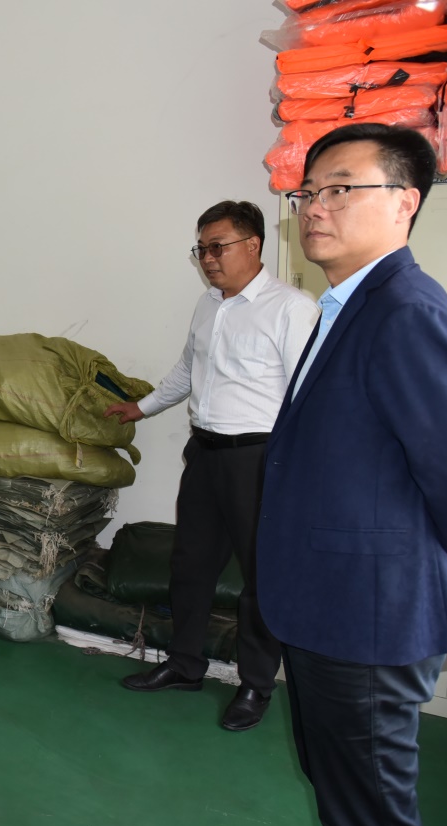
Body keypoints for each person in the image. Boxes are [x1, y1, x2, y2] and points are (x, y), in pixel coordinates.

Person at [259, 124, 447, 826]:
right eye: (308, 191)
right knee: (344, 800)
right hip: (333, 608)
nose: (314, 206)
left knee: (372, 821)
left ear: (405, 202)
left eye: (341, 188)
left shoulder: (405, 310)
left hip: (369, 618)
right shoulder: (347, 305)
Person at [104, 200, 318, 731]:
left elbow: (309, 393)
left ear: (253, 245)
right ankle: (184, 665)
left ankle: (255, 684)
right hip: (205, 454)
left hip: (258, 460)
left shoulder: (292, 308)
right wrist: (141, 407)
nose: (207, 258)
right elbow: (187, 369)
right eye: (201, 249)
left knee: (260, 577)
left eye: (217, 246)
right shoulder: (208, 306)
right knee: (191, 565)